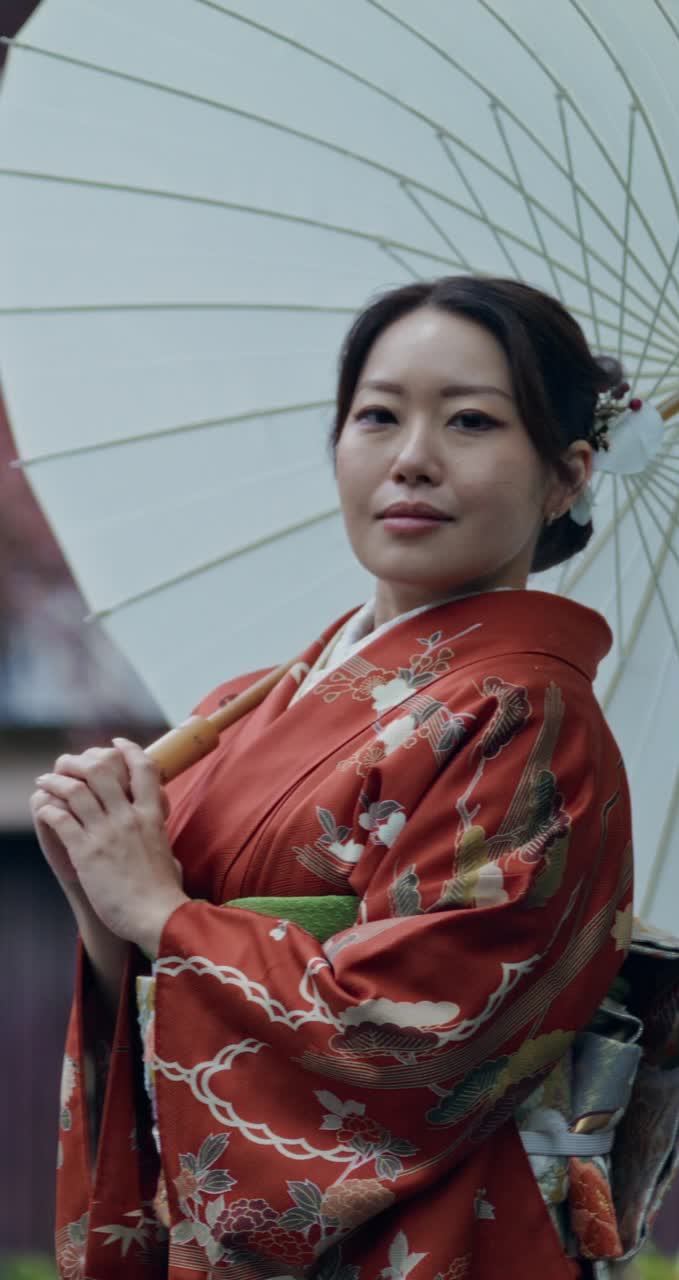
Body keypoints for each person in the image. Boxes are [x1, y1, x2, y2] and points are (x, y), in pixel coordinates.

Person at [32, 277, 639, 1279]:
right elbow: (151, 961)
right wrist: (104, 900)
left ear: (566, 475)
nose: (412, 458)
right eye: (378, 415)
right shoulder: (245, 701)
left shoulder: (525, 716)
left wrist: (162, 914)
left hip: (434, 1234)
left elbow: (414, 1037)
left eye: (472, 420)